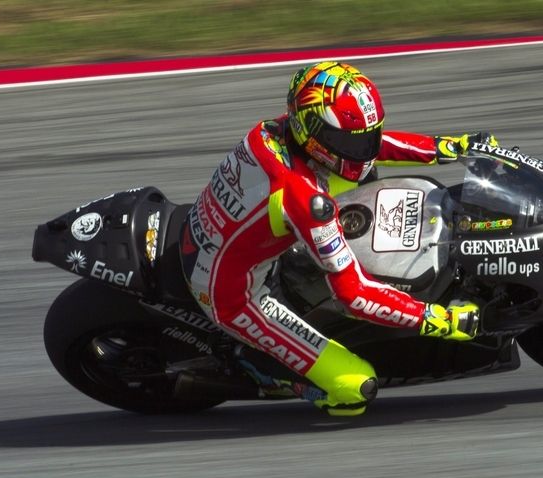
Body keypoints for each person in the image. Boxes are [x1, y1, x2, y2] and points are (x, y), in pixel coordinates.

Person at [180, 61, 494, 416]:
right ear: (312, 132)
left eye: (367, 134)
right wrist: (435, 320)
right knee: (356, 387)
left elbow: (374, 147)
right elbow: (352, 295)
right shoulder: (303, 198)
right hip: (232, 292)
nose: (363, 148)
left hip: (229, 235)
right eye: (349, 140)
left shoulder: (282, 130)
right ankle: (268, 373)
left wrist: (447, 148)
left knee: (364, 173)